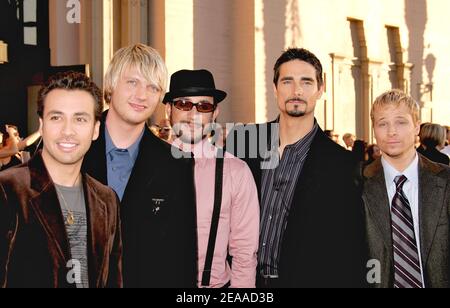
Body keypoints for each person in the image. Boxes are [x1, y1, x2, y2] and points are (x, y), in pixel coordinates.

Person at [227, 48, 367, 288]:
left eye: (306, 82)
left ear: (320, 89)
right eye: (287, 81)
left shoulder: (343, 164)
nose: (296, 91)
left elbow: (348, 246)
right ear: (275, 88)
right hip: (240, 283)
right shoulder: (244, 141)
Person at [83, 44, 197, 287]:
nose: (142, 95)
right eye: (132, 82)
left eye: (152, 87)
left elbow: (181, 256)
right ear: (111, 85)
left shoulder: (177, 164)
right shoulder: (74, 147)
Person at [0, 71, 122, 288]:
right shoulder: (8, 189)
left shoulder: (107, 200)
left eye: (80, 119)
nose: (68, 131)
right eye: (56, 117)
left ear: (95, 129)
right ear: (41, 125)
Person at [164, 69, 260, 288]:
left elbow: (244, 253)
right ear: (168, 109)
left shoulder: (236, 172)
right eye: (184, 104)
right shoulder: (146, 166)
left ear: (214, 113)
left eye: (204, 106)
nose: (193, 115)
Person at [363, 89, 449, 288]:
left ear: (417, 127)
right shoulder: (356, 185)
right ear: (374, 129)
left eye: (401, 122)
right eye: (382, 123)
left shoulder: (446, 182)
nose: (391, 131)